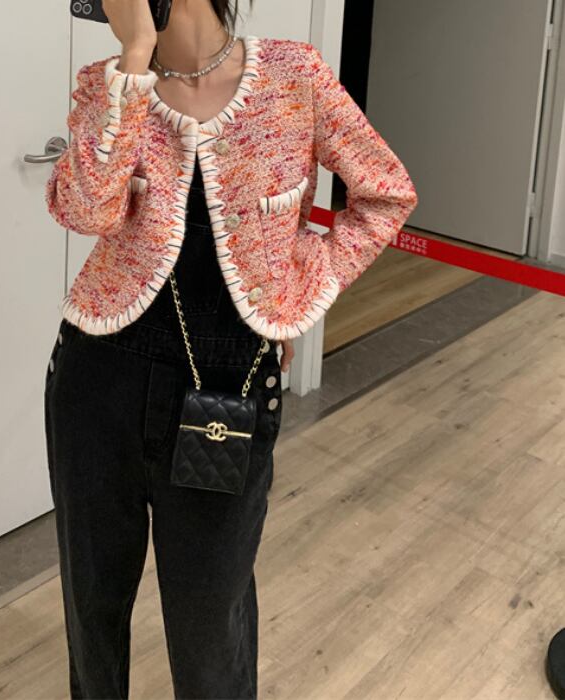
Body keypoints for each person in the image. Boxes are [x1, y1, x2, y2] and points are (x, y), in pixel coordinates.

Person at [44, 0, 418, 697]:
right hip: (99, 377)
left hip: (229, 388)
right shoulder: (109, 83)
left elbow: (386, 195)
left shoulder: (293, 75)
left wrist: (301, 287)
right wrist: (135, 56)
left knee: (210, 626)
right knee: (92, 609)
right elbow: (86, 210)